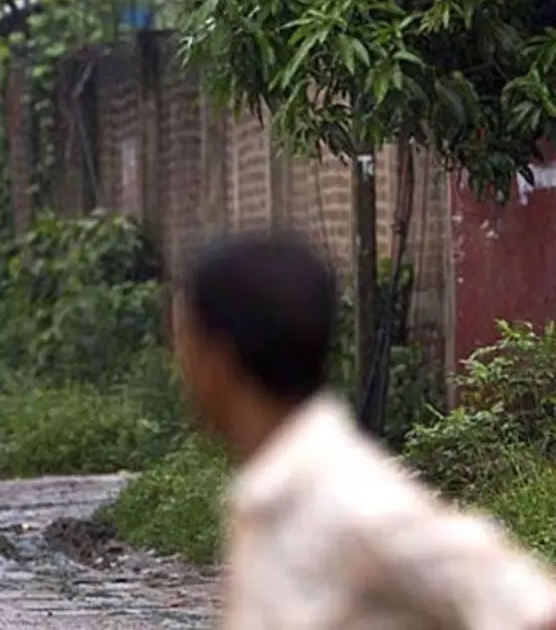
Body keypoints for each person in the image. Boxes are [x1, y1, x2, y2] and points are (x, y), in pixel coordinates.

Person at [172, 231, 556, 630]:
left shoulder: (349, 500)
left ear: (219, 356)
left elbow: (532, 608)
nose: (180, 368)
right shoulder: (272, 498)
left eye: (183, 343)